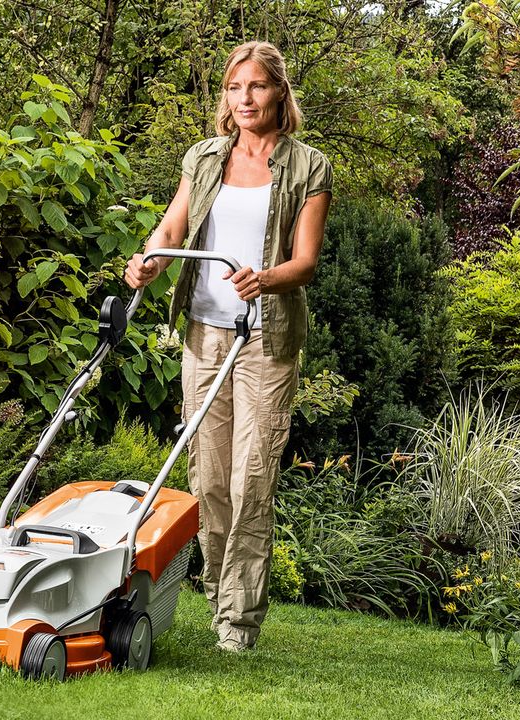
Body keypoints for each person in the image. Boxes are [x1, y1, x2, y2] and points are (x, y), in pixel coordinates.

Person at [124, 40, 332, 652]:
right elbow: (172, 228)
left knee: (251, 479)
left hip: (267, 339)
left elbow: (306, 262)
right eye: (235, 87)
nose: (245, 99)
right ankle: (219, 597)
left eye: (258, 86)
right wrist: (148, 261)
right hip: (205, 335)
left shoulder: (308, 167)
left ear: (279, 93)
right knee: (209, 477)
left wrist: (263, 279)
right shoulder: (205, 158)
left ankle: (239, 622)